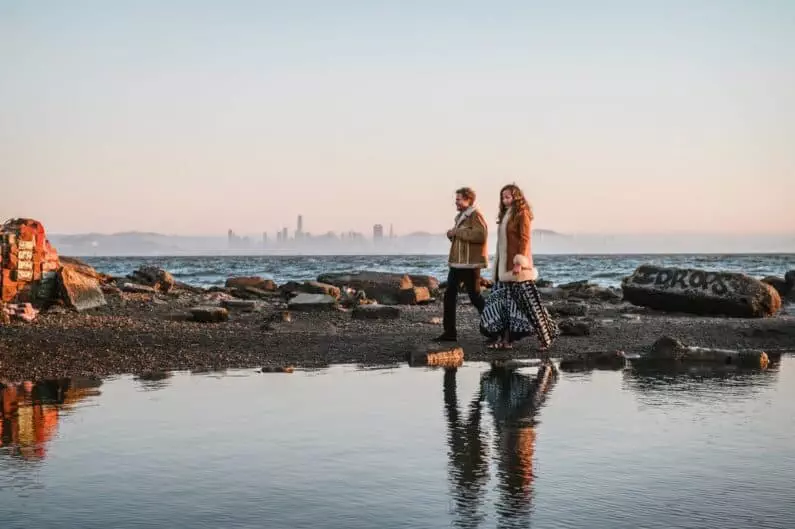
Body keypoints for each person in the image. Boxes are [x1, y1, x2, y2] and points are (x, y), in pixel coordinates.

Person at [480, 184, 559, 351]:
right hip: (503, 269)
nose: (505, 200)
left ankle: (547, 337)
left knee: (530, 304)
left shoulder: (522, 214)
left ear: (517, 197)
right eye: (503, 197)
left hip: (518, 269)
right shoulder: (505, 215)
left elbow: (524, 240)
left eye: (508, 196)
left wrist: (519, 262)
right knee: (504, 306)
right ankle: (506, 340)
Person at [436, 187, 488, 342]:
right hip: (457, 264)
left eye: (459, 199)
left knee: (475, 298)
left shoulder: (475, 215)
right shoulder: (460, 217)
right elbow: (463, 240)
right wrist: (451, 235)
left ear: (468, 200)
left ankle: (495, 328)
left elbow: (481, 235)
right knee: (449, 296)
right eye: (456, 199)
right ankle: (449, 333)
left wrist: (456, 233)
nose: (456, 202)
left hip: (470, 265)